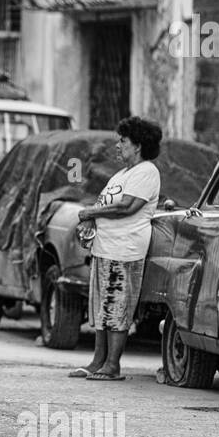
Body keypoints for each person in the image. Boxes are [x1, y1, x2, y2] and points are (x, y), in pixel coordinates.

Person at [72, 116, 163, 381]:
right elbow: (109, 205)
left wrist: (90, 212)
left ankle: (112, 365)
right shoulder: (122, 174)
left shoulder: (146, 171)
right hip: (105, 249)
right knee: (103, 309)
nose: (118, 146)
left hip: (125, 250)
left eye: (123, 141)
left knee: (117, 307)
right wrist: (91, 220)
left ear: (138, 145)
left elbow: (127, 207)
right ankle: (97, 362)